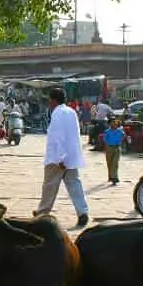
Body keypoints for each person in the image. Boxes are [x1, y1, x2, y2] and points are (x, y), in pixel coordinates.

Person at [34, 88, 89, 228]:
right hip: (71, 156)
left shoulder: (57, 113)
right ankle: (82, 212)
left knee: (49, 186)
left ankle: (42, 212)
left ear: (53, 100)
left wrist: (60, 157)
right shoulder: (71, 112)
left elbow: (58, 137)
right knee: (75, 185)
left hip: (58, 158)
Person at [103, 117, 125, 185]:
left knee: (115, 163)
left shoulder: (120, 131)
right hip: (109, 148)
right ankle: (110, 176)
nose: (115, 124)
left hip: (117, 148)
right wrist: (107, 147)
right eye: (113, 122)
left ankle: (114, 178)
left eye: (115, 122)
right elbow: (105, 139)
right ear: (110, 124)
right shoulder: (107, 131)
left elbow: (123, 136)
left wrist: (121, 142)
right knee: (109, 163)